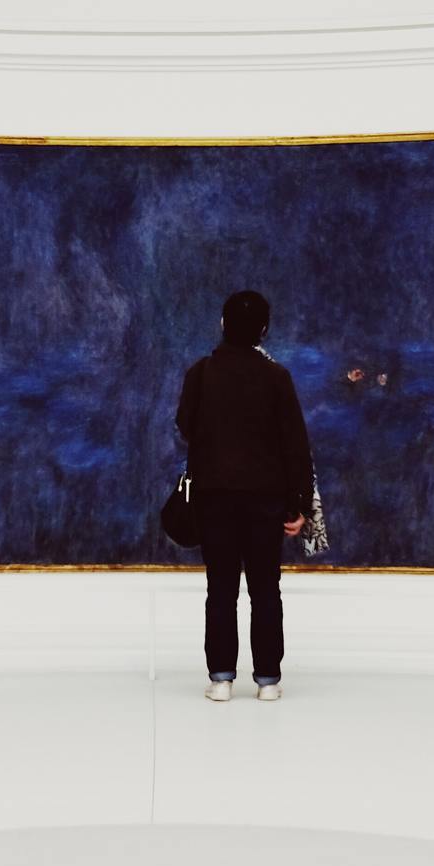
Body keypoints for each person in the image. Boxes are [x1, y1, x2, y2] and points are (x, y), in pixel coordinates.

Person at [173, 290, 314, 703]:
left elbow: (185, 426)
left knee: (220, 588)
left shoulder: (200, 373)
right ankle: (268, 679)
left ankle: (221, 678)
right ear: (264, 331)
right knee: (265, 589)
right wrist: (300, 504)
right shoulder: (277, 378)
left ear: (222, 324)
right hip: (266, 501)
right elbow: (295, 446)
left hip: (214, 497)